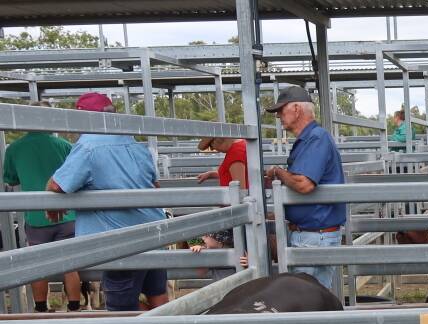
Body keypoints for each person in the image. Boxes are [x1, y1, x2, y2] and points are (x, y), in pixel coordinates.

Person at [46, 92, 168, 311]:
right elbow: (155, 187)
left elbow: (57, 185)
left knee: (121, 309)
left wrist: (54, 204)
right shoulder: (134, 143)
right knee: (158, 298)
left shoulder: (88, 145)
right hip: (153, 233)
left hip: (121, 241)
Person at [263, 85, 345, 290]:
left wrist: (278, 173)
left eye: (282, 110)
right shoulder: (310, 139)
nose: (279, 116)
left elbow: (304, 183)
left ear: (297, 109)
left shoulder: (316, 138)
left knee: (306, 299)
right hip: (312, 234)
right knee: (309, 298)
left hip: (314, 236)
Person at [2, 101, 81, 312]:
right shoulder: (64, 145)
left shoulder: (15, 148)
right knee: (70, 264)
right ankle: (74, 307)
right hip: (67, 215)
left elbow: (10, 180)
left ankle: (41, 308)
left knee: (38, 265)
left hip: (36, 218)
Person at [195, 137, 247, 250]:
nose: (214, 149)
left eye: (212, 146)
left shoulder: (235, 154)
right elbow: (236, 174)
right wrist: (212, 174)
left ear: (217, 140)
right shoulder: (240, 145)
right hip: (233, 210)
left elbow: (241, 190)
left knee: (197, 237)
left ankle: (222, 248)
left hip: (234, 213)